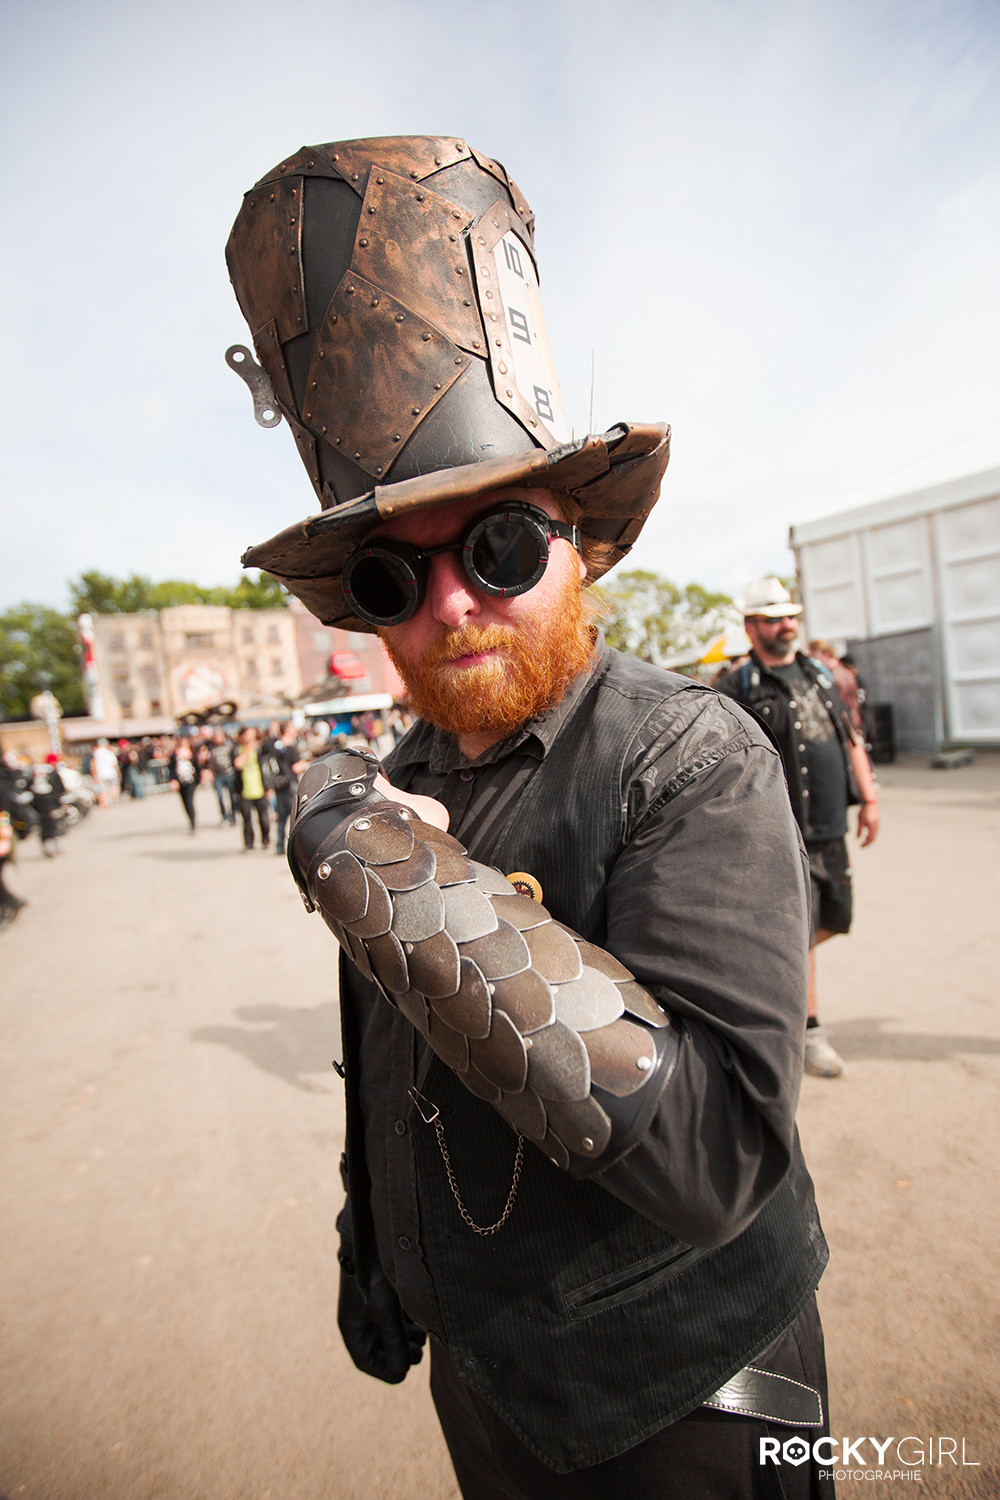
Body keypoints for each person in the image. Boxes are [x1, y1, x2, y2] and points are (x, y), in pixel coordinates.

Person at [227, 135, 832, 1497]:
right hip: (488, 1382)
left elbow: (720, 1156)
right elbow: (392, 1057)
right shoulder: (409, 763)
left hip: (685, 1405)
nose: (447, 604)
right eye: (392, 576)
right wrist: (376, 1254)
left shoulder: (689, 754)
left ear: (577, 543)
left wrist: (368, 860)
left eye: (498, 544)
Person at [717, 579, 880, 1080]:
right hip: (781, 832)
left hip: (830, 826)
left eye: (790, 616)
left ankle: (764, 971)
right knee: (801, 928)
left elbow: (849, 736)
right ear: (751, 627)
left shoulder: (823, 675)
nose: (785, 625)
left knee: (834, 917)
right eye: (772, 618)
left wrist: (869, 798)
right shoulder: (736, 686)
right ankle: (808, 1031)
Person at [261, 721, 308, 857]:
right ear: (287, 729)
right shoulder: (290, 747)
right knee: (298, 816)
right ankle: (298, 847)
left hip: (279, 784)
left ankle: (280, 845)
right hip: (290, 784)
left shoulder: (276, 745)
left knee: (282, 817)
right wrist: (305, 764)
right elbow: (295, 767)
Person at [233, 727, 270, 851]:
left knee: (264, 817)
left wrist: (269, 787)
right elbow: (238, 764)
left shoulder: (260, 750)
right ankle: (249, 842)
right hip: (244, 790)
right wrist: (248, 750)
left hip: (260, 788)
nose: (251, 739)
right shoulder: (237, 750)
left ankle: (266, 839)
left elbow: (267, 767)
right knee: (247, 819)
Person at [168, 735, 199, 833]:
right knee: (184, 802)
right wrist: (172, 780)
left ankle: (193, 822)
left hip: (190, 780)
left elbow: (197, 766)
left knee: (189, 801)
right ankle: (190, 819)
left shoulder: (192, 752)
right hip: (180, 780)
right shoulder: (175, 754)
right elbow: (171, 768)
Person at [210, 730, 238, 826]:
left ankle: (233, 816)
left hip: (229, 774)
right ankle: (225, 816)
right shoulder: (212, 749)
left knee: (232, 797)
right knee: (220, 797)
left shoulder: (229, 747)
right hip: (218, 776)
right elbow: (211, 763)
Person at [90, 738, 120, 808]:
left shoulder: (96, 752)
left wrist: (94, 775)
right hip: (111, 773)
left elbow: (93, 765)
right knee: (113, 787)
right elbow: (114, 764)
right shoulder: (109, 752)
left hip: (101, 774)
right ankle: (111, 800)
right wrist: (118, 772)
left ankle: (106, 802)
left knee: (103, 790)